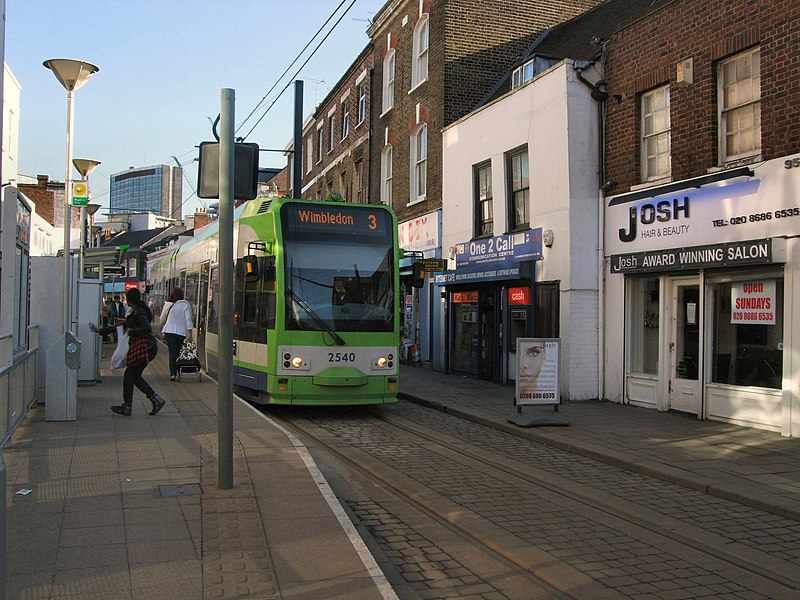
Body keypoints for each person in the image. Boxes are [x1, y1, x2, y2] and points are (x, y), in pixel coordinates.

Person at [90, 287, 166, 416]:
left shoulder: (138, 311)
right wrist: (101, 331)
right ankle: (155, 400)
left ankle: (129, 406)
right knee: (133, 376)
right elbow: (122, 325)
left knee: (130, 376)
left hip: (145, 348)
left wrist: (133, 331)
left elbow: (146, 328)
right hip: (148, 347)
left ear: (130, 299)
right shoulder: (137, 311)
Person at [160, 287, 193, 381]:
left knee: (172, 353)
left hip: (169, 331)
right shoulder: (185, 305)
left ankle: (173, 374)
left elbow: (162, 319)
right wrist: (190, 334)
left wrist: (165, 325)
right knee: (179, 352)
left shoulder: (167, 305)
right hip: (181, 332)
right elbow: (188, 320)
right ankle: (178, 371)